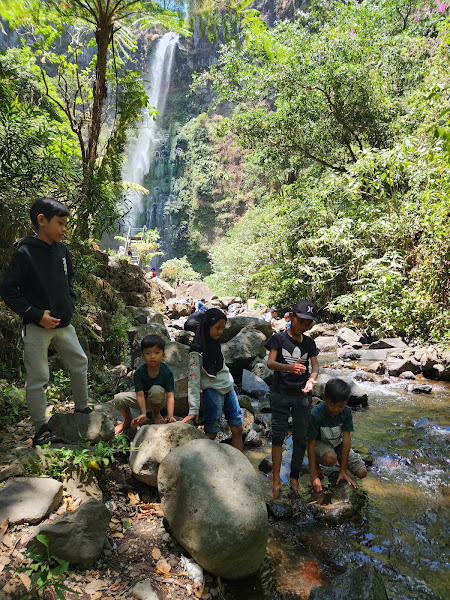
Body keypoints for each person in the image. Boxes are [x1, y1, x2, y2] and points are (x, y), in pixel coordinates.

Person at [0, 197, 90, 446]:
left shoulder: (63, 250)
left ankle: (82, 410)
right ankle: (40, 428)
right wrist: (36, 314)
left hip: (64, 324)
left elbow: (69, 281)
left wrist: (70, 304)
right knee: (38, 377)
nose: (64, 229)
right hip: (37, 326)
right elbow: (8, 291)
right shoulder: (25, 252)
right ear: (42, 221)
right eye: (60, 223)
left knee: (79, 362)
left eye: (66, 224)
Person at [265, 300, 319, 498]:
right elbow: (270, 363)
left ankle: (294, 477)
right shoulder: (278, 339)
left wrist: (312, 380)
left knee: (300, 437)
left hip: (302, 395)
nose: (304, 326)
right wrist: (289, 367)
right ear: (291, 317)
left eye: (308, 324)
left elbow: (315, 367)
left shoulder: (309, 343)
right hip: (280, 392)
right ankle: (276, 480)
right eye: (302, 321)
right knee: (278, 436)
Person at [182, 308, 243, 451]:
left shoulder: (215, 343)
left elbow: (222, 366)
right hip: (213, 391)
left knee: (237, 428)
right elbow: (194, 381)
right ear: (207, 325)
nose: (220, 331)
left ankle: (241, 466)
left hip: (228, 387)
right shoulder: (196, 351)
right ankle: (200, 462)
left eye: (222, 328)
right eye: (217, 327)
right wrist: (193, 409)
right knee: (211, 432)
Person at [307, 377, 367, 491]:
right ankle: (317, 461)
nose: (336, 409)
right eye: (332, 405)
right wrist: (313, 475)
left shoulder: (346, 412)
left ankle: (340, 463)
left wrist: (343, 470)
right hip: (320, 443)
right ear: (324, 397)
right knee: (331, 459)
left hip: (337, 443)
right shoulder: (316, 414)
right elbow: (310, 444)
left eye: (341, 406)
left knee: (362, 472)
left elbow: (346, 440)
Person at [111, 334, 176, 434]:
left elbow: (170, 396)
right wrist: (143, 414)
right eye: (148, 353)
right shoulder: (139, 373)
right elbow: (140, 395)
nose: (152, 356)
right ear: (142, 356)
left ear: (163, 355)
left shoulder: (167, 372)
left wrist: (170, 415)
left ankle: (156, 414)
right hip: (143, 399)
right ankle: (127, 420)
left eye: (157, 353)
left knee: (156, 390)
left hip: (159, 400)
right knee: (118, 398)